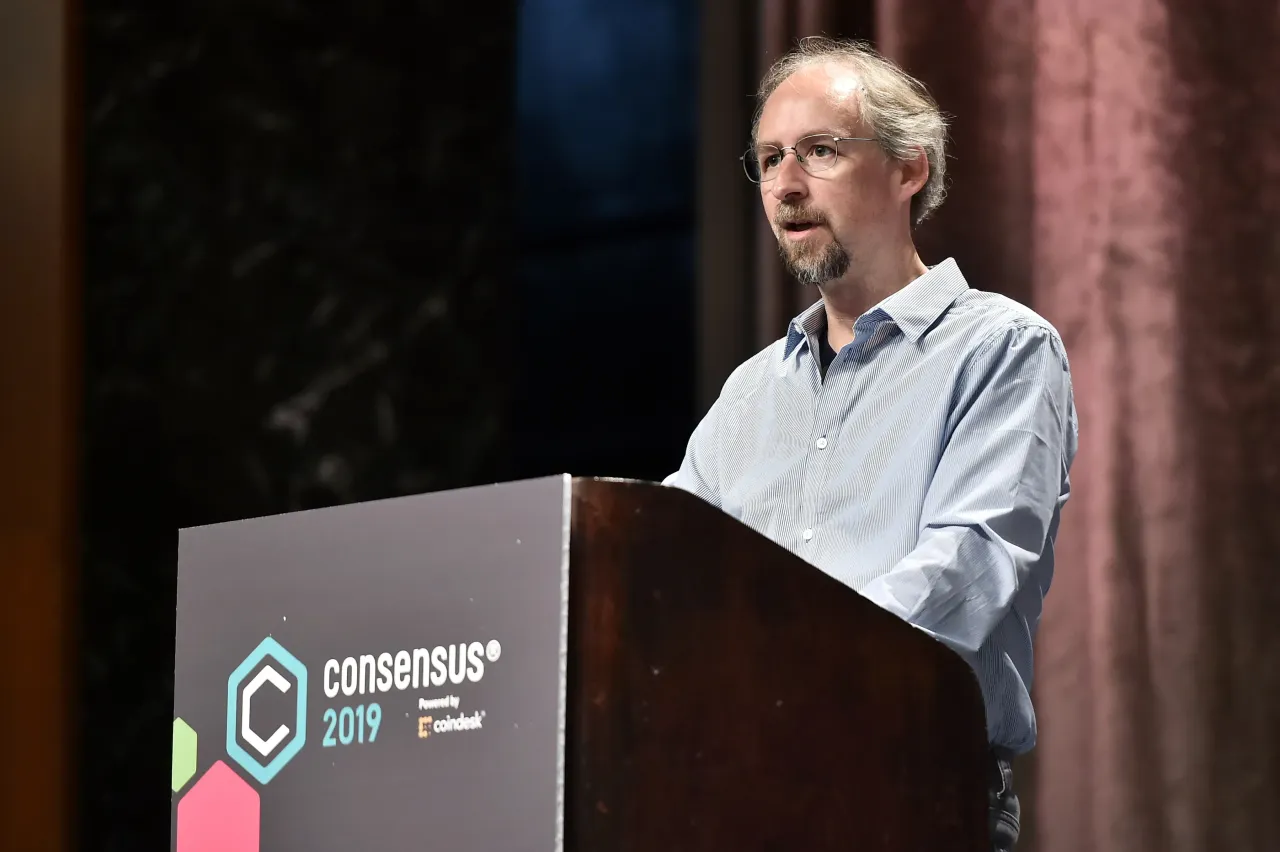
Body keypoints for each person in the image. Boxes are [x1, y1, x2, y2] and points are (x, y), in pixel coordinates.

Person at [663, 38, 1078, 851]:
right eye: (769, 159)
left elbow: (971, 562)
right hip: (738, 796)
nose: (784, 186)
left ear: (908, 169)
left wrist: (773, 674)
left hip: (910, 786)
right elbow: (665, 564)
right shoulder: (749, 394)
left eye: (818, 151)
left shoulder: (1002, 349)